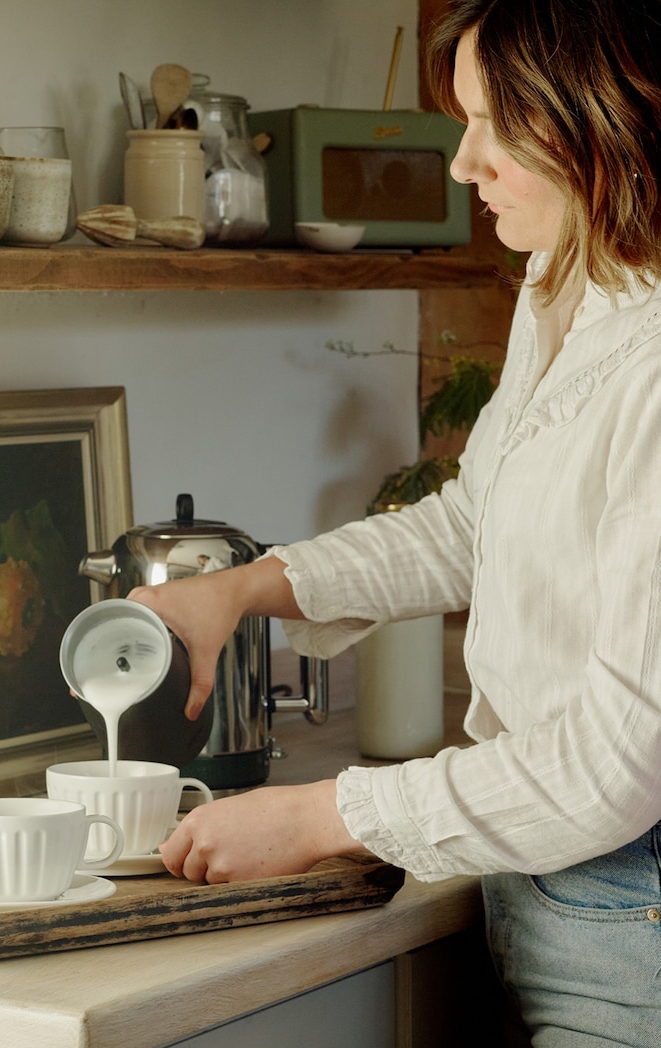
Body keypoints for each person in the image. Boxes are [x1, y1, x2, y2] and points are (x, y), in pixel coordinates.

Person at [128, 1, 661, 1042]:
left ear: (598, 121)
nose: (462, 164)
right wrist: (244, 587)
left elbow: (615, 766)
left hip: (633, 908)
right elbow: (477, 522)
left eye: (494, 125)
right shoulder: (571, 280)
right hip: (541, 882)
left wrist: (320, 813)